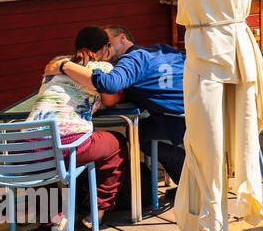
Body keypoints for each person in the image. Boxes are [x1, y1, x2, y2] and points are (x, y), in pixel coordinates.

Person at [48, 24, 188, 185]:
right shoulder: (162, 50)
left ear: (122, 38)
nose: (104, 47)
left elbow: (109, 84)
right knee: (143, 128)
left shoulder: (131, 59)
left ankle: (187, 179)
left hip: (178, 122)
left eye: (108, 42)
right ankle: (188, 178)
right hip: (202, 114)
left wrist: (64, 65)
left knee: (138, 133)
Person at [31, 27, 128, 231]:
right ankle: (97, 211)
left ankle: (57, 218)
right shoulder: (102, 67)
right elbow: (110, 100)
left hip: (29, 144)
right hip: (68, 142)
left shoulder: (57, 62)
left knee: (38, 160)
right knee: (116, 143)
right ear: (106, 48)